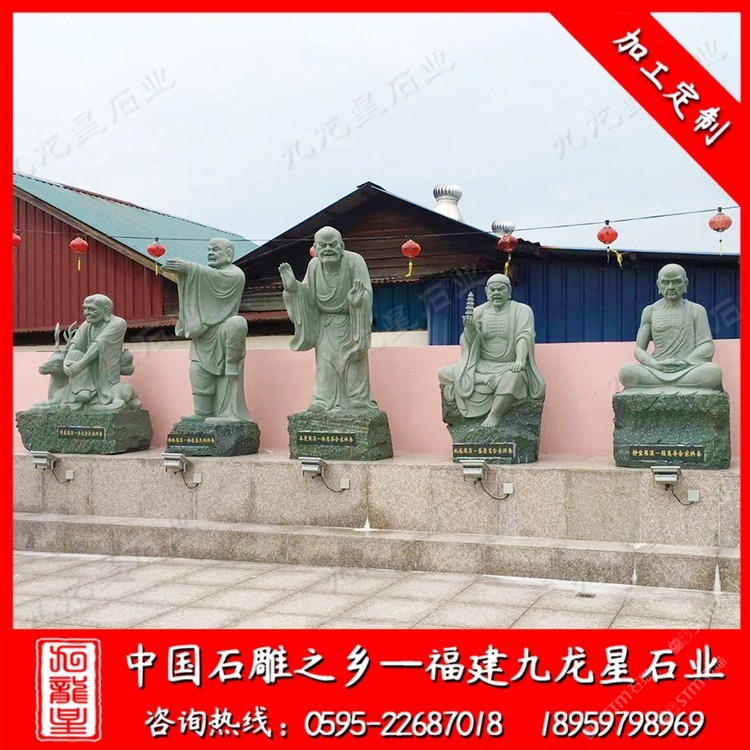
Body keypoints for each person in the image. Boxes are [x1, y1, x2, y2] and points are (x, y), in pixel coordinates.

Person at [279, 226, 377, 412]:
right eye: (322, 245)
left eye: (332, 244)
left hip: (351, 321)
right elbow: (308, 296)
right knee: (325, 364)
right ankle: (323, 400)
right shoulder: (314, 266)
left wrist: (358, 301)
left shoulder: (355, 261)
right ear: (315, 248)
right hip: (325, 324)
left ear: (341, 246)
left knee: (353, 360)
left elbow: (365, 291)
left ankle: (357, 397)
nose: (328, 249)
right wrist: (293, 288)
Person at [164, 238, 252, 423]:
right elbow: (207, 278)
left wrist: (189, 268)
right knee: (197, 371)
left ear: (229, 254)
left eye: (216, 249)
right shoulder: (208, 273)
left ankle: (229, 413)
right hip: (204, 332)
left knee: (237, 323)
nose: (211, 253)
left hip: (224, 332)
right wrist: (186, 272)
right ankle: (202, 412)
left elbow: (215, 278)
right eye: (209, 250)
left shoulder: (235, 274)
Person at [439, 274, 545, 427]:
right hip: (483, 365)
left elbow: (524, 336)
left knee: (514, 377)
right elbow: (470, 343)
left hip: (509, 365)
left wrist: (520, 360)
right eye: (492, 290)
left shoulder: (522, 310)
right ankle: (485, 379)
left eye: (500, 289)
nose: (496, 293)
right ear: (486, 292)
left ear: (509, 291)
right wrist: (470, 330)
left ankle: (495, 415)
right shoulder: (478, 311)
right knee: (444, 373)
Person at [618, 263, 723, 393]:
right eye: (665, 282)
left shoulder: (697, 310)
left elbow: (707, 345)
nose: (671, 287)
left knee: (712, 372)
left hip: (686, 369)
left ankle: (660, 387)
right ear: (659, 285)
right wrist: (654, 364)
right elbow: (639, 349)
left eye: (676, 282)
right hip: (657, 369)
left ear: (685, 284)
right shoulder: (650, 311)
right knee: (626, 371)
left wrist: (686, 362)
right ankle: (678, 387)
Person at [61, 294, 139, 411]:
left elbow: (99, 345)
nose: (86, 313)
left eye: (91, 309)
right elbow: (76, 342)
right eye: (85, 309)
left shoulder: (118, 323)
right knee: (74, 354)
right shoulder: (88, 324)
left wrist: (79, 365)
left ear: (106, 310)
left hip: (105, 368)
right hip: (86, 370)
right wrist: (66, 362)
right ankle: (82, 392)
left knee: (110, 393)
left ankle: (93, 395)